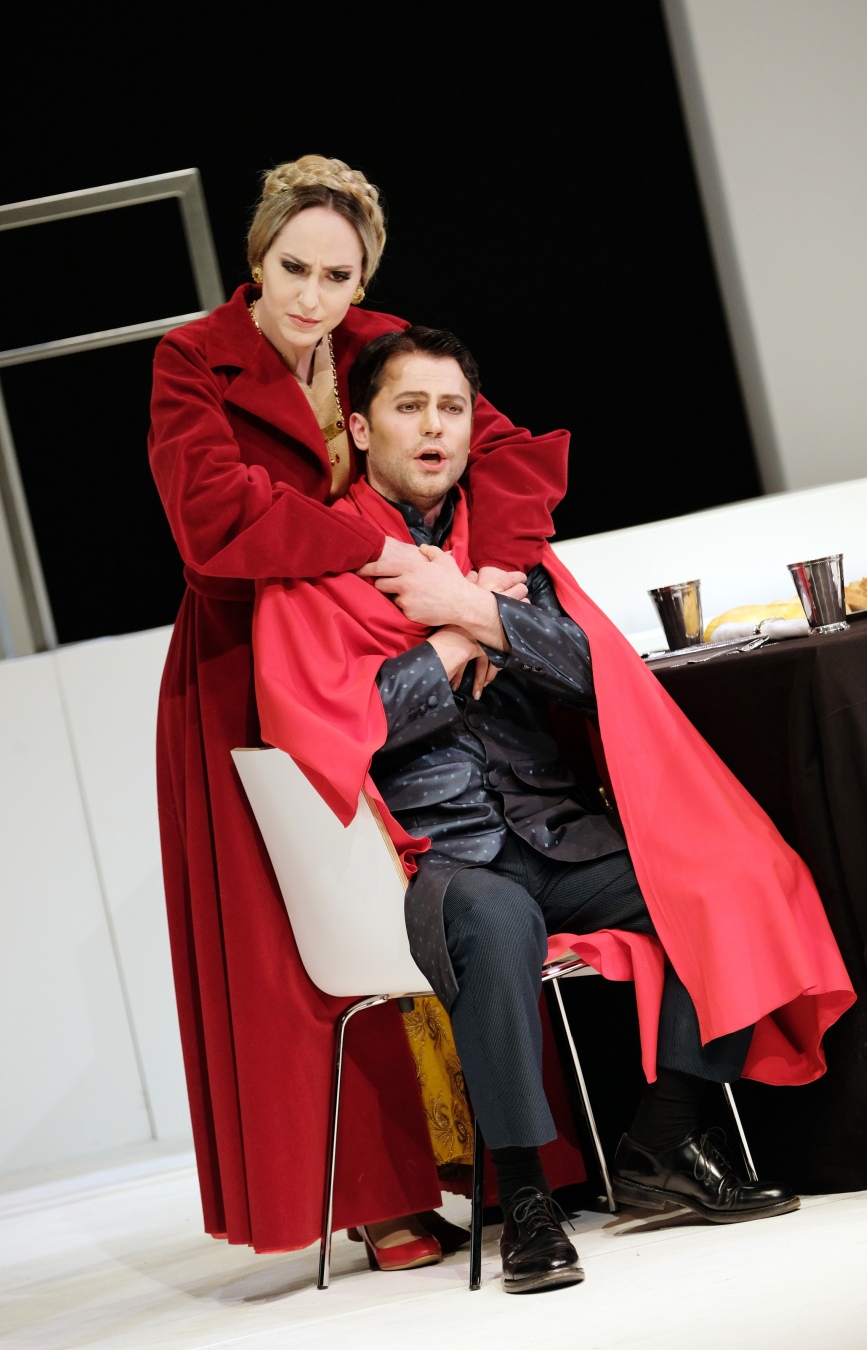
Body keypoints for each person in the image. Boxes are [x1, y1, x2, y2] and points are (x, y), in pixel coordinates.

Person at [252, 326, 855, 1292]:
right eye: (410, 408)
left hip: (556, 837)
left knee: (739, 872)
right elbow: (336, 730)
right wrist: (447, 650)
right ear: (360, 428)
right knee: (497, 921)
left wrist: (481, 610)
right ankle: (527, 1198)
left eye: (452, 409)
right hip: (436, 859)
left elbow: (592, 676)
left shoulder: (506, 553)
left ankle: (664, 1141)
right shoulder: (318, 570)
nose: (434, 428)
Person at [147, 155, 579, 1263]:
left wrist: (493, 574)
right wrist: (379, 550)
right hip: (243, 665)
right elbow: (212, 515)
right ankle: (377, 1194)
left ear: (363, 279)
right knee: (301, 934)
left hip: (393, 630)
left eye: (336, 276)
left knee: (455, 884)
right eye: (293, 267)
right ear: (256, 258)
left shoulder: (375, 342)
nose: (312, 296)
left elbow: (508, 451)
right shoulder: (193, 358)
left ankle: (515, 1170)